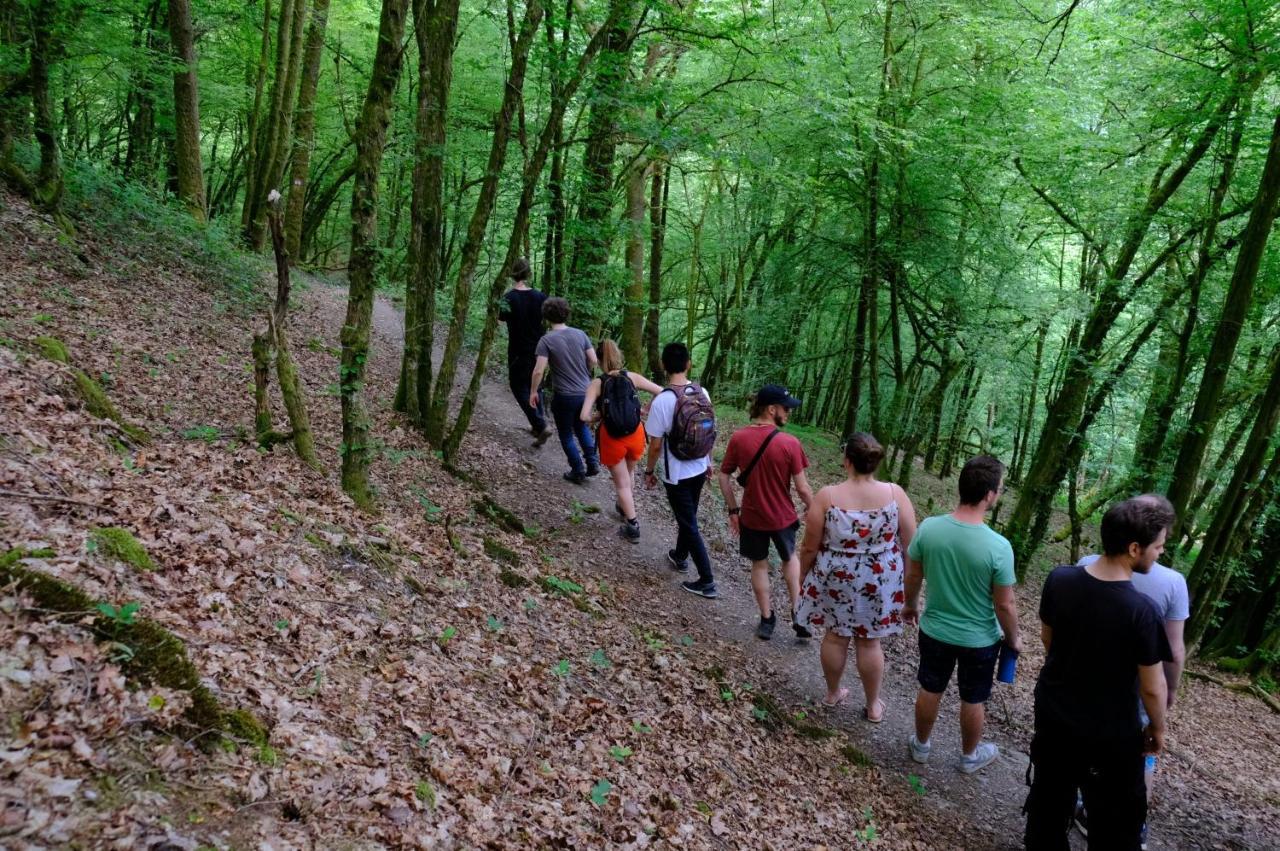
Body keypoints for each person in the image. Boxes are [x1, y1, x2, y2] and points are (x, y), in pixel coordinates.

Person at [1024, 497, 1174, 851]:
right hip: (1111, 736)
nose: (1160, 554)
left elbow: (1049, 638)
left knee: (1049, 800)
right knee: (1116, 822)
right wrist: (1157, 728)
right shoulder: (1143, 612)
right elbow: (1152, 689)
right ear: (1134, 548)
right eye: (1158, 547)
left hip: (1055, 716)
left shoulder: (1060, 579)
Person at [1072, 493, 1188, 848]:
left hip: (1083, 678)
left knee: (1081, 741)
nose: (1162, 549)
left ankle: (1080, 805)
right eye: (1161, 541)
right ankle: (1132, 824)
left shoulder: (1086, 564)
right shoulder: (1172, 583)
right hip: (1135, 688)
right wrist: (1170, 693)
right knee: (1143, 754)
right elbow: (1174, 650)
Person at [904, 454, 1019, 774]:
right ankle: (969, 757)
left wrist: (910, 604)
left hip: (936, 629)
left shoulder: (930, 529)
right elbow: (1004, 605)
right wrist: (1014, 638)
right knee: (974, 697)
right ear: (989, 495)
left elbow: (913, 576)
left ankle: (921, 746)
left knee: (930, 687)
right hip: (979, 638)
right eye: (1000, 489)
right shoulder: (999, 547)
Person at [797, 433, 917, 719]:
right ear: (874, 463)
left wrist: (803, 575)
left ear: (846, 460)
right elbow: (912, 544)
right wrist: (909, 585)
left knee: (836, 636)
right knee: (870, 640)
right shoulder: (894, 494)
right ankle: (873, 705)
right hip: (879, 579)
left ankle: (832, 693)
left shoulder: (827, 496)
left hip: (837, 575)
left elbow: (810, 545)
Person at [718, 384, 815, 640]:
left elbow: (724, 476)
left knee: (759, 565)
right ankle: (799, 614)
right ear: (771, 410)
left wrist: (732, 509)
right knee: (789, 559)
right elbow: (803, 488)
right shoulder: (789, 443)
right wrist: (814, 509)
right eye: (786, 408)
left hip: (752, 515)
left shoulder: (739, 438)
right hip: (783, 516)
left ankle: (766, 619)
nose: (789, 413)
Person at [643, 342, 718, 598]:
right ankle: (680, 555)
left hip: (676, 471)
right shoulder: (702, 392)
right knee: (689, 517)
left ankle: (707, 580)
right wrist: (708, 463)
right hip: (698, 466)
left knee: (688, 523)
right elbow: (708, 431)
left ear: (664, 366)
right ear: (688, 364)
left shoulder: (663, 400)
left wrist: (649, 472)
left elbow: (655, 445)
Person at [581, 339, 664, 543]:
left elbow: (583, 416)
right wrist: (644, 409)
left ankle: (633, 524)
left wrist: (597, 417)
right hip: (635, 434)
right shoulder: (632, 377)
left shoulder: (597, 383)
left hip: (612, 438)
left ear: (599, 360)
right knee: (630, 473)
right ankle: (624, 506)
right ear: (618, 356)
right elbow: (661, 392)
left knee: (622, 484)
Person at [529, 297, 599, 483]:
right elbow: (593, 360)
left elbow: (538, 371)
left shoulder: (546, 340)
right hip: (585, 392)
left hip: (564, 395)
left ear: (546, 316)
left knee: (566, 433)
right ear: (566, 313)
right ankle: (592, 461)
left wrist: (533, 391)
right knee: (581, 426)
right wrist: (584, 372)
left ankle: (577, 470)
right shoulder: (580, 334)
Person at [498, 258, 551, 444]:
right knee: (536, 386)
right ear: (528, 274)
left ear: (513, 274)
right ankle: (539, 427)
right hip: (540, 349)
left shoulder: (508, 297)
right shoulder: (541, 297)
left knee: (518, 385)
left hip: (518, 350)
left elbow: (501, 318)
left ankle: (540, 424)